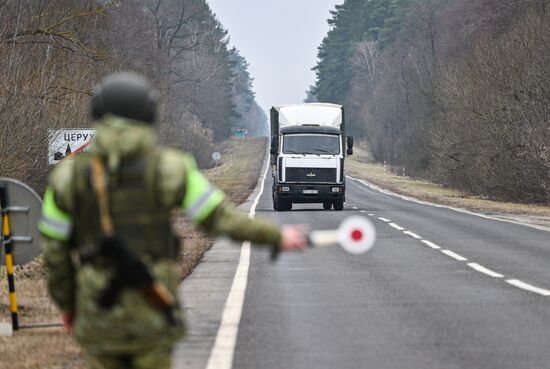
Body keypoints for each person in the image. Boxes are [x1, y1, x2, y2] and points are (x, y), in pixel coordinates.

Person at [39, 72, 307, 369]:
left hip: (98, 309)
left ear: (98, 113)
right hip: (152, 305)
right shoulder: (170, 168)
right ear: (149, 114)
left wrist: (68, 306)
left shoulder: (66, 178)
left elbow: (55, 253)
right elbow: (221, 219)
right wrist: (275, 236)